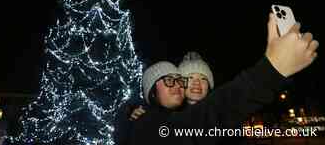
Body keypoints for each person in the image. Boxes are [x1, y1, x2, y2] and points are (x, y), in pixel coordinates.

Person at [127, 13, 319, 145]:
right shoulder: (149, 123)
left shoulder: (229, 126)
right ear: (151, 91)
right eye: (186, 78)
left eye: (202, 78)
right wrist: (271, 71)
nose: (190, 84)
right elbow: (199, 122)